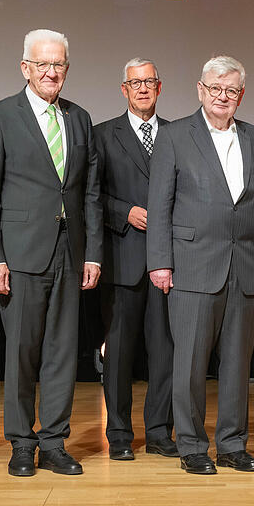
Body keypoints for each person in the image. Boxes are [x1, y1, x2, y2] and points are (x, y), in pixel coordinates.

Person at [0, 29, 102, 477]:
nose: (52, 72)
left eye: (60, 64)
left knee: (64, 353)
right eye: (43, 64)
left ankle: (54, 442)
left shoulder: (80, 118)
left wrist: (93, 254)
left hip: (71, 253)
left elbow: (89, 193)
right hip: (21, 255)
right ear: (25, 67)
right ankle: (22, 443)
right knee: (23, 353)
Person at [146, 55, 254, 474]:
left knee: (238, 363)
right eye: (215, 89)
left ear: (240, 95)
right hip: (190, 265)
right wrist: (160, 263)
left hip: (246, 266)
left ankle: (232, 444)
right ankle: (190, 446)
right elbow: (160, 204)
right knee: (188, 364)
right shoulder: (173, 136)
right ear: (200, 90)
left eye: (231, 91)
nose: (223, 97)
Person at [93, 57, 176, 461]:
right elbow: (91, 196)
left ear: (159, 88)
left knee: (166, 354)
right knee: (120, 356)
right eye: (135, 83)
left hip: (169, 263)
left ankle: (160, 433)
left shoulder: (180, 135)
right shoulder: (102, 135)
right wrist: (124, 212)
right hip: (122, 261)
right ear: (123, 90)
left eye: (150, 82)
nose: (143, 89)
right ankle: (120, 435)